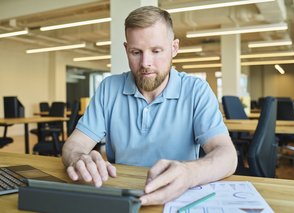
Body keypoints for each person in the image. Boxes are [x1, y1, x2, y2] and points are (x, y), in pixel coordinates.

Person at [62, 6, 237, 205]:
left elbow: (227, 155)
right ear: (126, 49)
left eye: (156, 51)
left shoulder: (196, 90)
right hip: (122, 196)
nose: (146, 63)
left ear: (174, 48)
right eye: (136, 52)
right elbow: (74, 145)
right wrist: (77, 158)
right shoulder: (108, 88)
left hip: (178, 198)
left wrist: (190, 172)